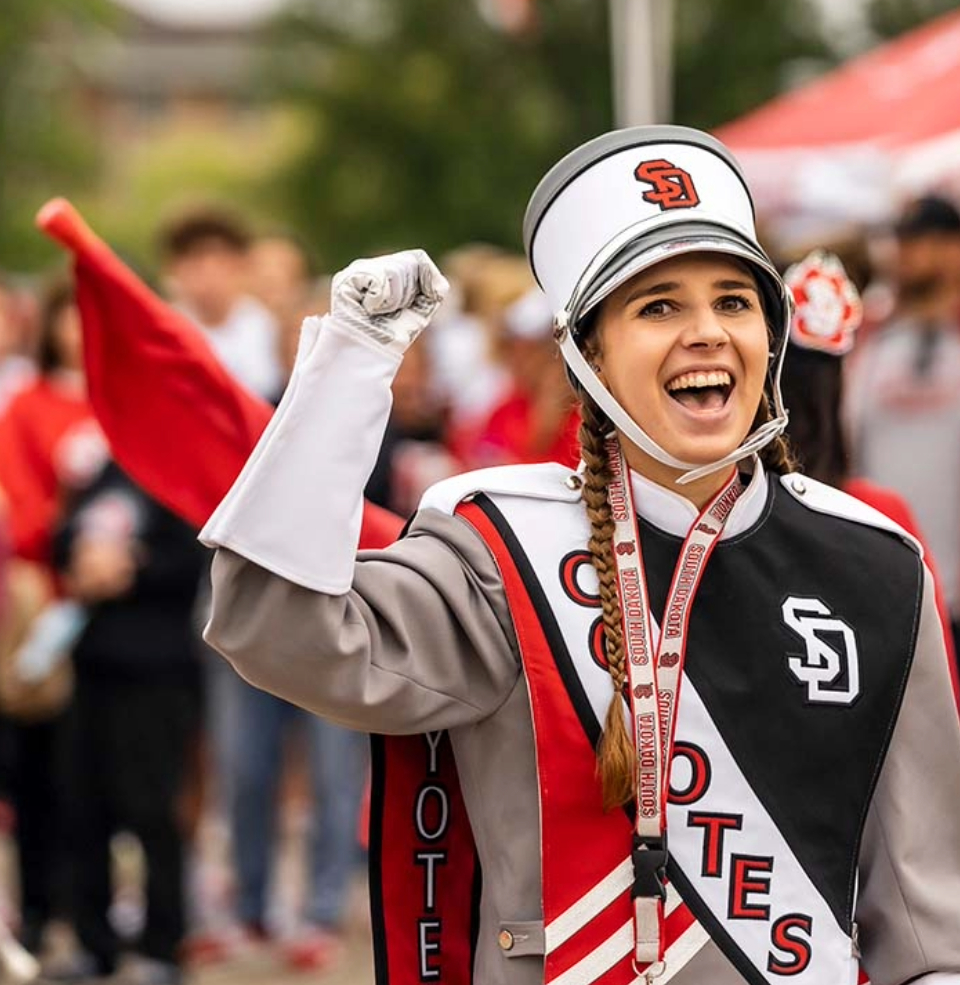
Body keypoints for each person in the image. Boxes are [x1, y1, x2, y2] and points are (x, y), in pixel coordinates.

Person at [200, 126, 960, 985]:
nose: (707, 332)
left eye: (734, 302)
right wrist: (349, 367)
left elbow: (927, 920)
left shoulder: (878, 564)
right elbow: (274, 628)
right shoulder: (497, 549)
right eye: (660, 306)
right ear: (587, 357)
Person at [845, 195, 960, 657]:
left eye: (921, 240)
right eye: (901, 240)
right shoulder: (866, 338)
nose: (906, 252)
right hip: (889, 589)